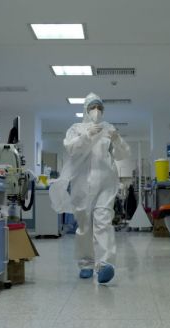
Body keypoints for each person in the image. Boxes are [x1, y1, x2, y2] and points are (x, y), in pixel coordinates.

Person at [50, 93, 130, 283]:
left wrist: (117, 140)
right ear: (85, 110)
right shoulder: (76, 129)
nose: (97, 111)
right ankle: (86, 263)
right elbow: (71, 149)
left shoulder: (109, 128)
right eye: (93, 107)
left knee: (103, 221)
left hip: (106, 182)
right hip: (82, 184)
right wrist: (87, 136)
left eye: (100, 108)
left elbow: (122, 155)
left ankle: (105, 265)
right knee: (85, 225)